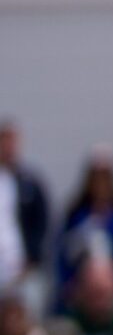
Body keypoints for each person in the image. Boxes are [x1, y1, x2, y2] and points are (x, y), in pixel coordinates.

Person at [54, 148, 113, 312]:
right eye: (96, 177)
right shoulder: (77, 214)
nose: (101, 183)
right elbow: (65, 254)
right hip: (84, 295)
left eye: (106, 177)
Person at [0, 118, 52, 311]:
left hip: (24, 269)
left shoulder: (29, 182)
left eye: (12, 141)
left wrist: (32, 257)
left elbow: (42, 222)